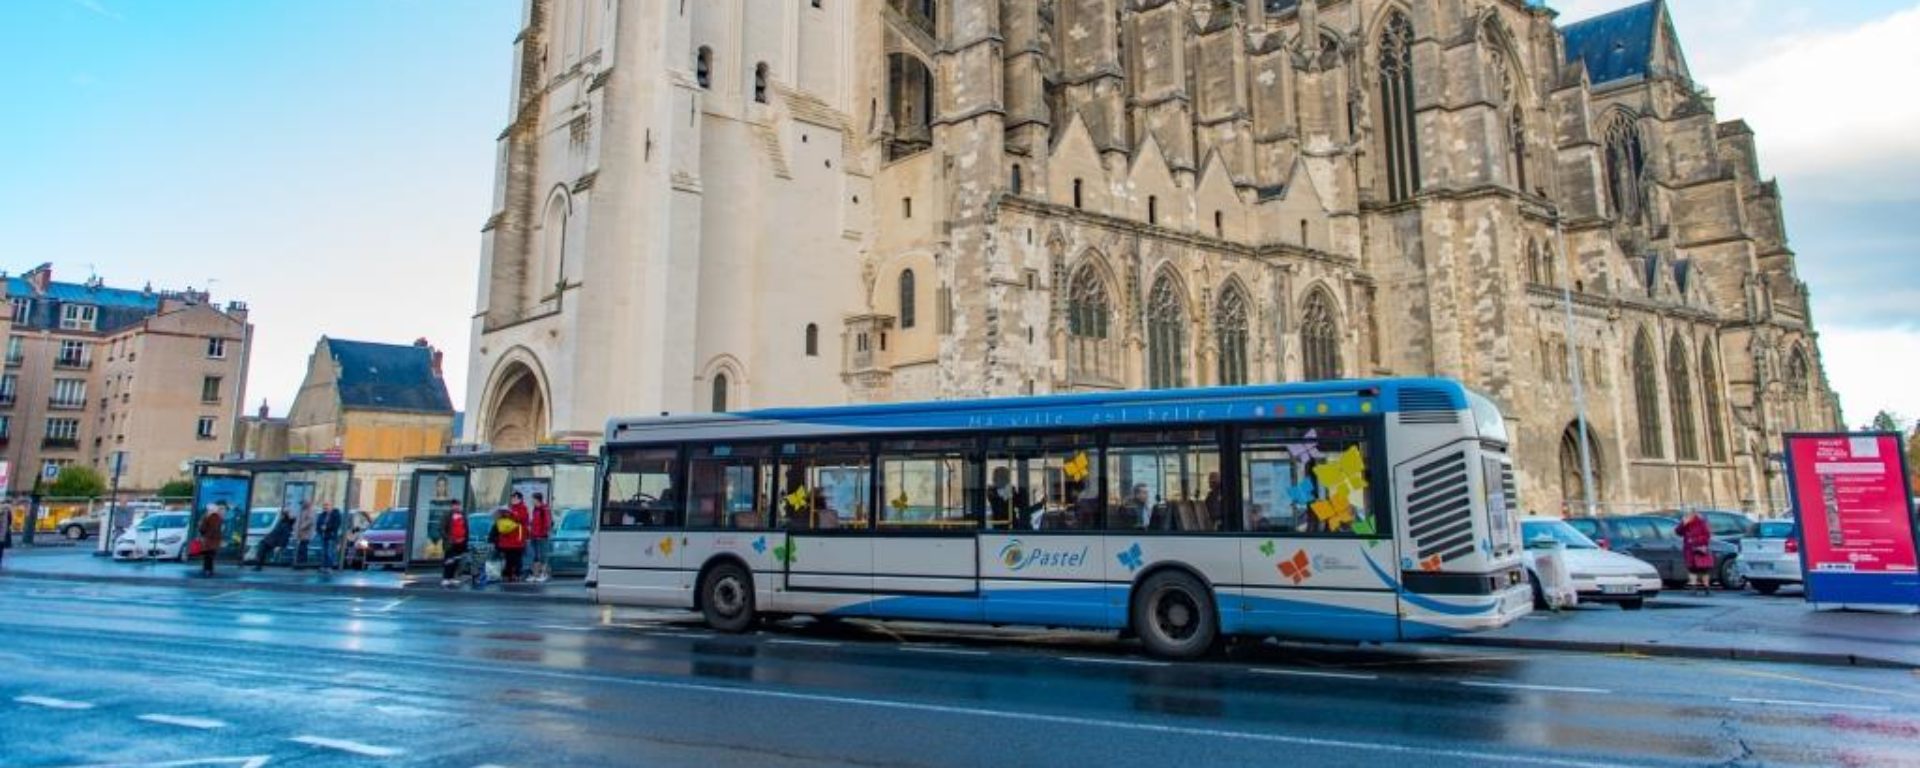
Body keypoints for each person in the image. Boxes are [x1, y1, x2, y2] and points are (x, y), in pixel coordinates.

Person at [1676, 509, 1715, 596]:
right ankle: (1693, 590)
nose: (1687, 516)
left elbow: (1707, 535)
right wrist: (1683, 524)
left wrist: (1695, 540)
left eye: (1689, 514)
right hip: (1689, 550)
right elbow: (1678, 532)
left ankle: (1707, 589)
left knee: (1704, 570)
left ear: (1694, 514)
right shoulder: (1685, 523)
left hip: (1700, 548)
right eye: (1686, 514)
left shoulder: (1701, 522)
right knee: (1692, 569)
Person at [492, 503, 527, 582]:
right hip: (517, 544)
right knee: (517, 560)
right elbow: (522, 529)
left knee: (509, 560)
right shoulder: (515, 521)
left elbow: (494, 534)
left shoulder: (499, 521)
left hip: (505, 545)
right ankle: (516, 575)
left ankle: (508, 575)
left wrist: (496, 542)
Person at [441, 500, 470, 587]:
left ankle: (453, 578)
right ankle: (446, 578)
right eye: (455, 505)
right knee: (449, 560)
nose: (457, 507)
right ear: (452, 506)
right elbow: (442, 528)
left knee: (457, 561)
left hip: (461, 542)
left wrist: (466, 540)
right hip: (451, 542)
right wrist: (447, 538)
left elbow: (466, 528)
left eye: (458, 505)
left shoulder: (463, 515)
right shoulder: (447, 515)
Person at [528, 492, 554, 583]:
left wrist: (542, 533)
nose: (531, 501)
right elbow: (535, 522)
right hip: (534, 535)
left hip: (541, 536)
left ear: (537, 499)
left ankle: (544, 574)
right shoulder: (536, 509)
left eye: (533, 499)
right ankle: (536, 574)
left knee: (543, 555)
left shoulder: (544, 509)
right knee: (535, 556)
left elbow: (547, 523)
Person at [195, 502, 225, 576]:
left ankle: (207, 570)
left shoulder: (207, 517)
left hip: (208, 539)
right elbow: (220, 529)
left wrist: (200, 525)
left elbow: (202, 528)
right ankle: (210, 570)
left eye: (207, 509)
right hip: (215, 539)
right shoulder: (219, 518)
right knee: (211, 556)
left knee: (207, 556)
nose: (207, 511)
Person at [316, 503, 344, 574]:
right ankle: (324, 566)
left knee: (329, 551)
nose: (325, 507)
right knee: (324, 552)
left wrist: (327, 527)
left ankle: (329, 567)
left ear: (331, 506)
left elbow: (336, 525)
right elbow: (318, 524)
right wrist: (320, 529)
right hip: (323, 535)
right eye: (324, 506)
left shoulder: (335, 514)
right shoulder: (322, 515)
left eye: (327, 505)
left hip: (331, 535)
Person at [292, 500, 318, 569]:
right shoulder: (302, 511)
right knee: (301, 548)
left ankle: (301, 564)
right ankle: (299, 563)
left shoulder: (310, 511)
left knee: (303, 548)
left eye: (302, 503)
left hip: (306, 533)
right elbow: (298, 520)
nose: (301, 505)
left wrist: (301, 527)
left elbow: (310, 521)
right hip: (301, 533)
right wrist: (295, 527)